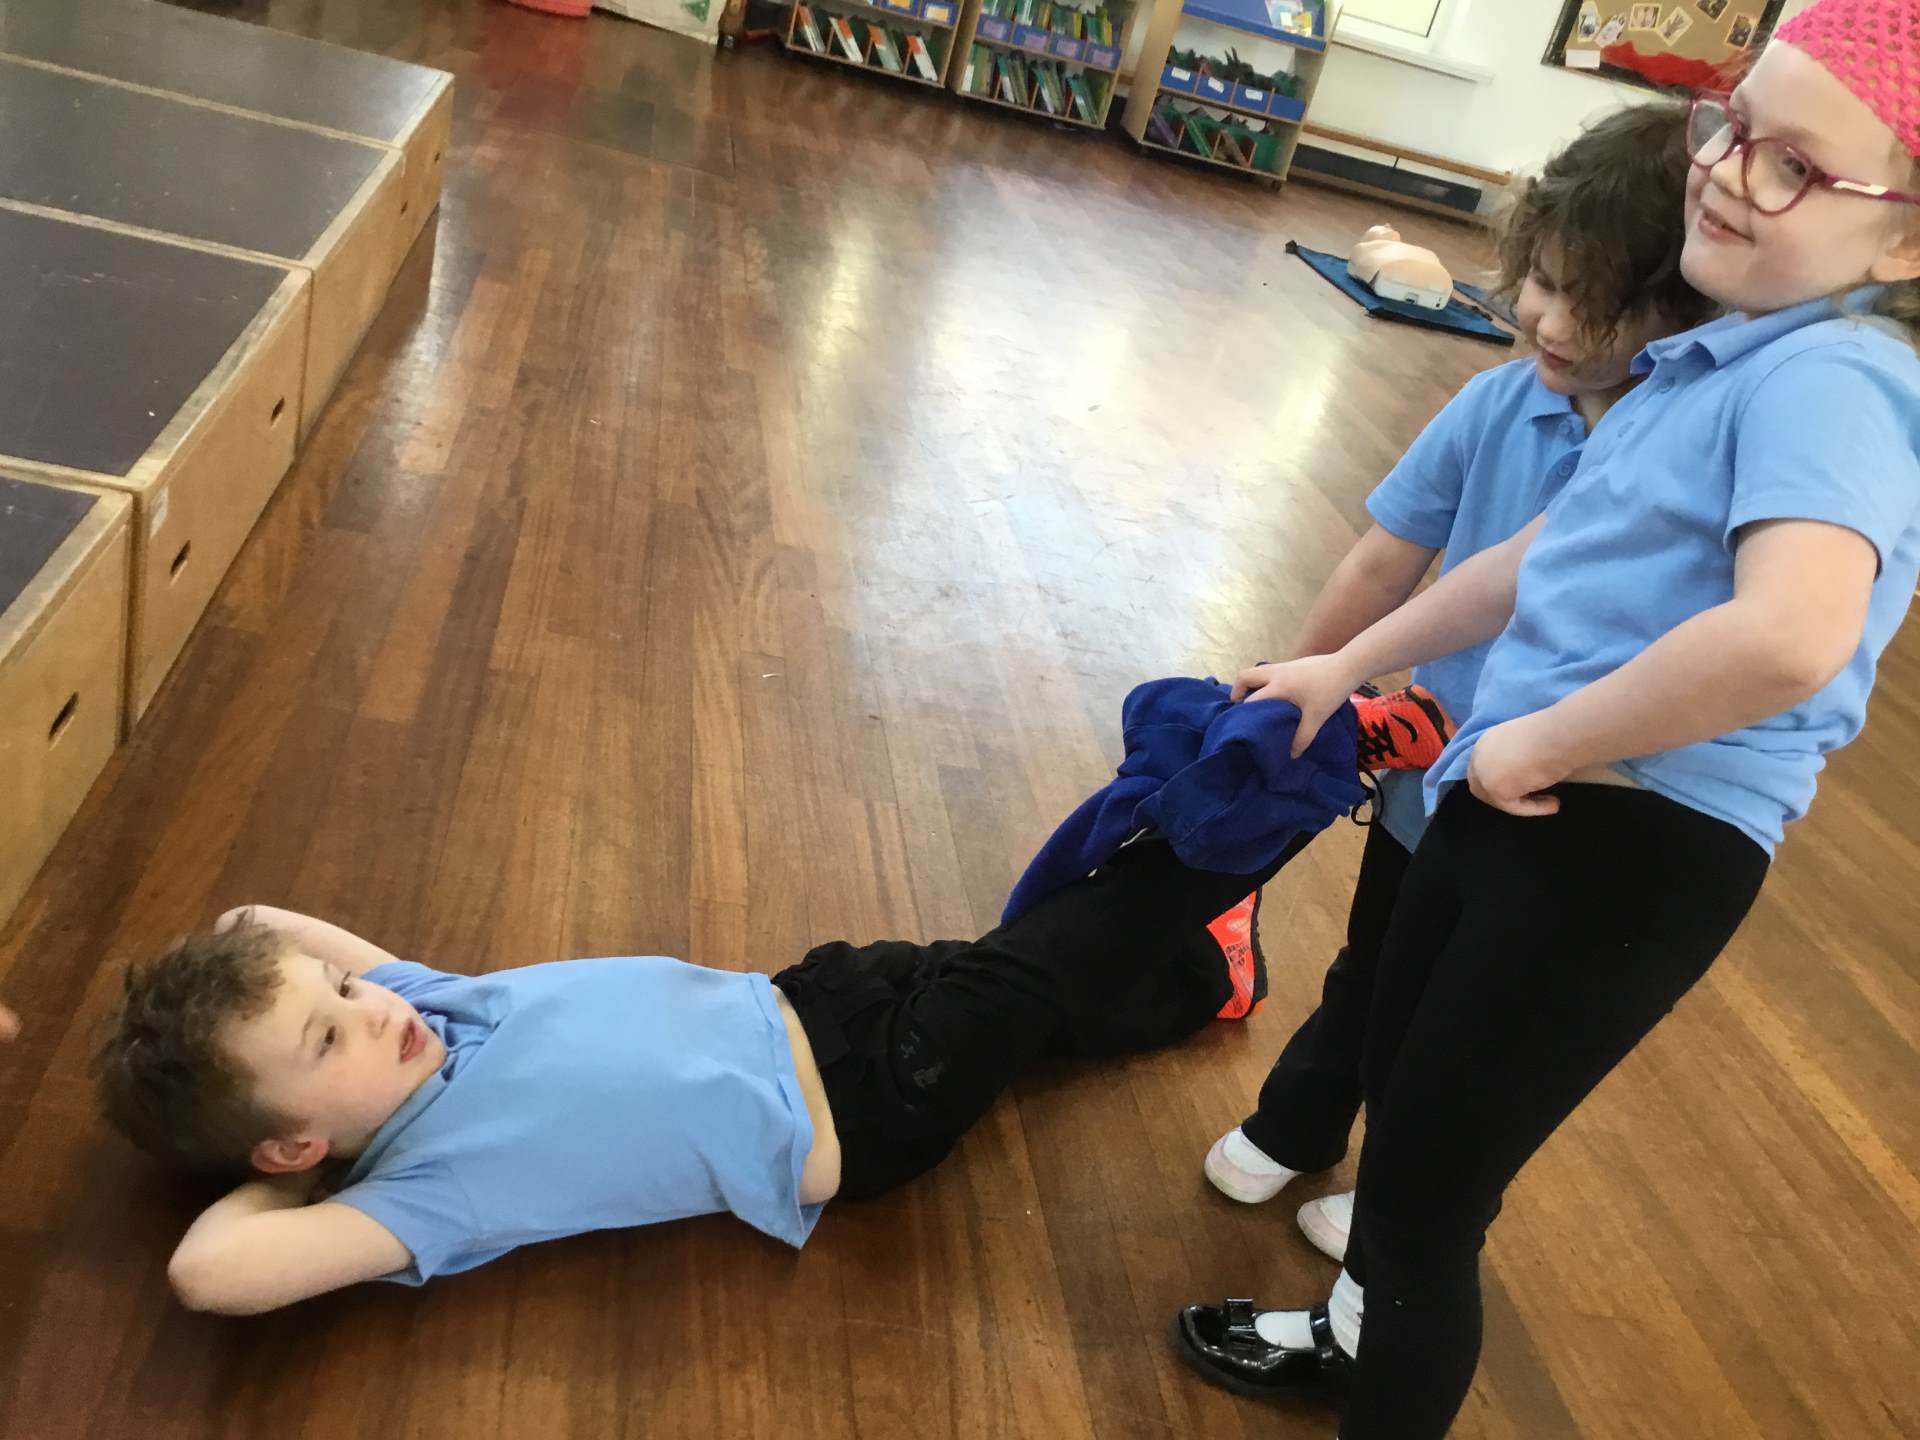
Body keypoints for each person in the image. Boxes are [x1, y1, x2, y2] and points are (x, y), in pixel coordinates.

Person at [1176, 4, 1920, 1435]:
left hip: (1626, 837)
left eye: (1792, 166)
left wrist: (1541, 741)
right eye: (1734, 125)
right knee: (1404, 1123)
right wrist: (1349, 666)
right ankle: (1349, 1338)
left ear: (1904, 242)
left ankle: (1376, 1371)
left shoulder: (1837, 377)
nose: (1727, 170)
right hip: (1529, 801)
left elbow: (1794, 631)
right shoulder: (1716, 363)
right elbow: (1540, 558)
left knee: (1426, 1202)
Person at [95, 690, 1441, 1316]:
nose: (365, 1001)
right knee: (1044, 959)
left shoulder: (420, 1011)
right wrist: (298, 1172)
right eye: (328, 1032)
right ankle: (1308, 773)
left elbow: (257, 925)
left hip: (821, 992)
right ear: (293, 1142)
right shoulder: (420, 1191)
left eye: (344, 990)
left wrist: (247, 1022)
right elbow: (208, 1274)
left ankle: (1208, 977)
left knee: (1040, 991)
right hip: (869, 1106)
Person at [1204, 100, 1716, 1273]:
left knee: (1455, 1020)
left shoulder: (1679, 456)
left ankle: (1393, 1191)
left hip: (1553, 803)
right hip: (1426, 768)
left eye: (1593, 301)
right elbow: (1385, 557)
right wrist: (1301, 685)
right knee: (1374, 962)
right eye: (1541, 280)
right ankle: (1299, 1120)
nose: (1546, 318)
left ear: (1682, 315)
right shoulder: (1498, 403)